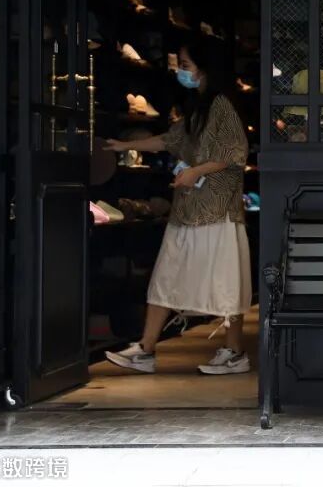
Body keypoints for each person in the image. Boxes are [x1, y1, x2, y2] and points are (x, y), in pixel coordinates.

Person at [103, 37, 252, 376]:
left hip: (217, 210)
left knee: (224, 282)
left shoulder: (221, 105)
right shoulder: (200, 107)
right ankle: (146, 348)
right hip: (188, 209)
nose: (180, 72)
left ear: (204, 68)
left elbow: (234, 153)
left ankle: (234, 351)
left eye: (185, 65)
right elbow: (169, 140)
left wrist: (196, 172)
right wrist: (123, 145)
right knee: (167, 276)